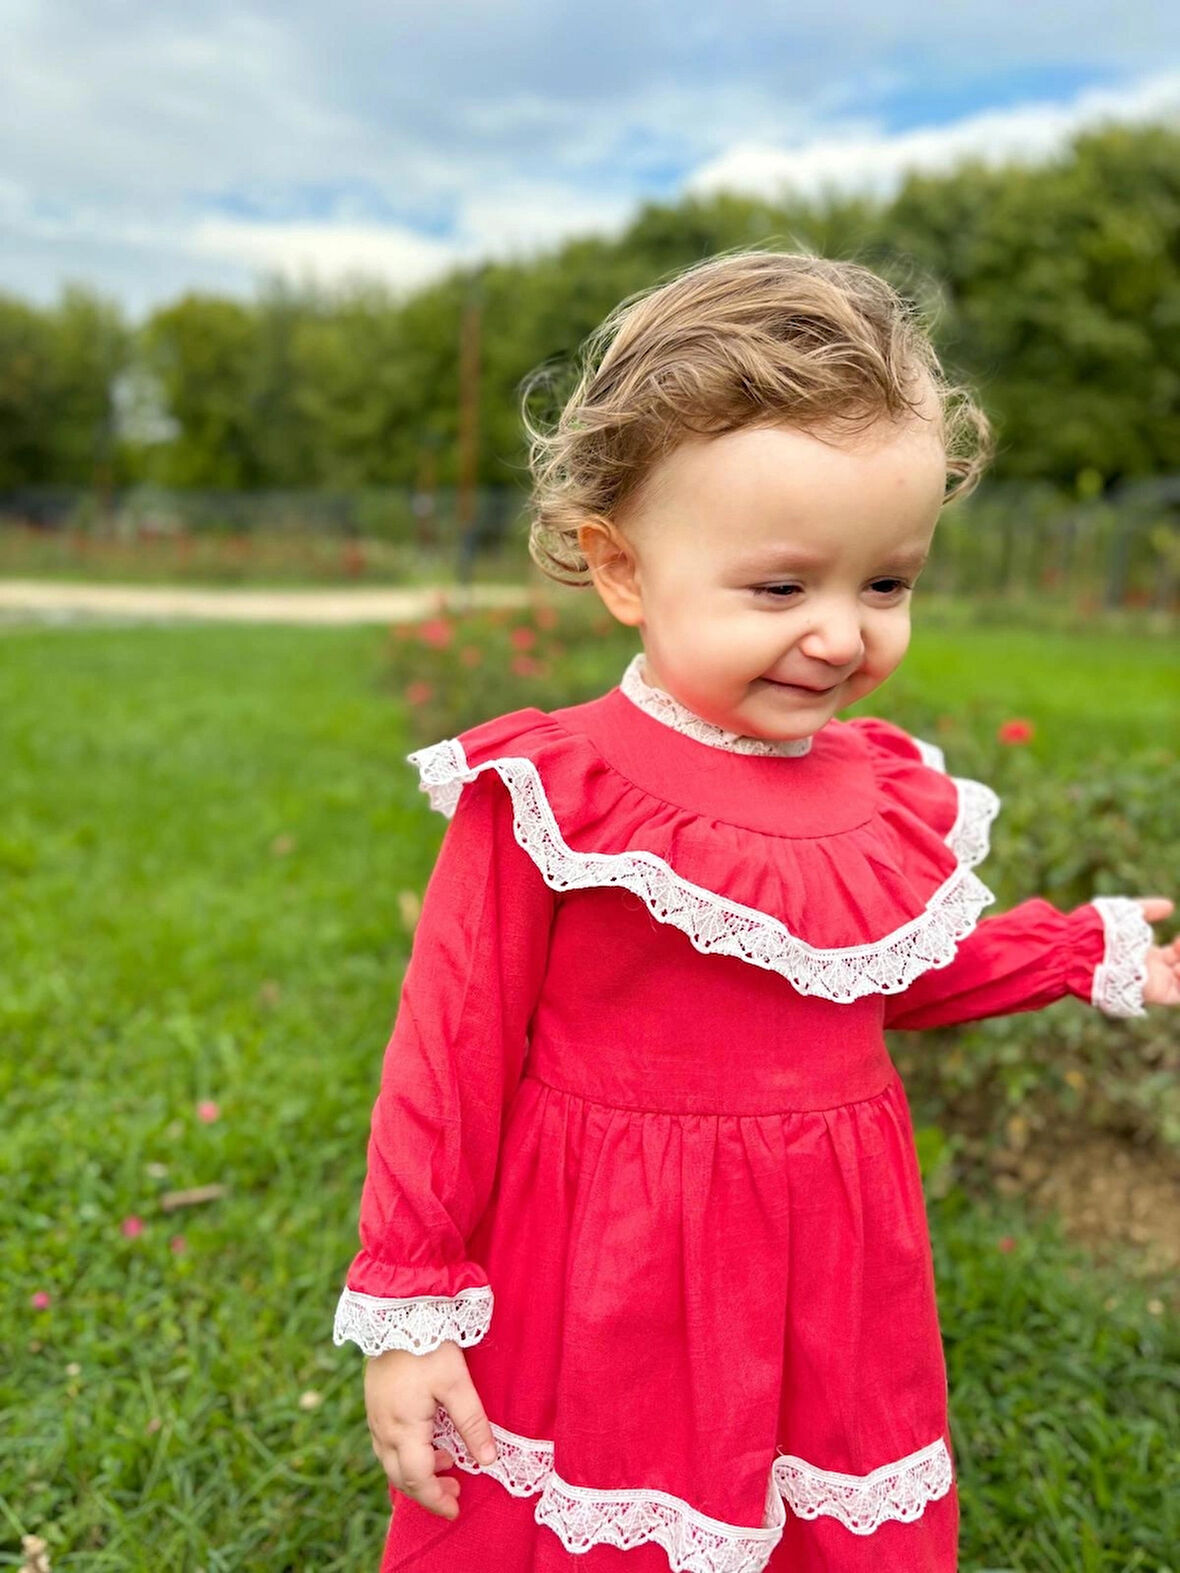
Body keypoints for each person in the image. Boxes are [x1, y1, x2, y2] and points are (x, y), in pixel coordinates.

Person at [332, 250, 1180, 1573]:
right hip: (609, 1260)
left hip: (829, 1262)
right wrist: (414, 1311)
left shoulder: (874, 792)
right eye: (782, 589)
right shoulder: (555, 793)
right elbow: (448, 1056)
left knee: (813, 1507)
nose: (842, 635)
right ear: (621, 567)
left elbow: (897, 970)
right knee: (605, 1509)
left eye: (886, 584)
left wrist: (1086, 952)